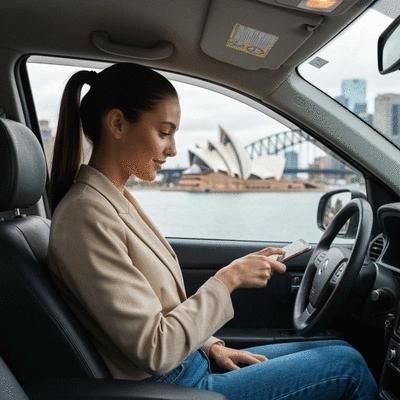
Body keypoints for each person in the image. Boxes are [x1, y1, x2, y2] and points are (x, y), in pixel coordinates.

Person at [46, 62, 379, 400]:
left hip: (188, 366)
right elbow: (155, 349)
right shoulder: (86, 215)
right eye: (164, 132)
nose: (173, 150)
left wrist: (212, 346)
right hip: (173, 387)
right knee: (347, 365)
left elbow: (157, 309)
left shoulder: (111, 200)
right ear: (117, 124)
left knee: (336, 347)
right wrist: (229, 278)